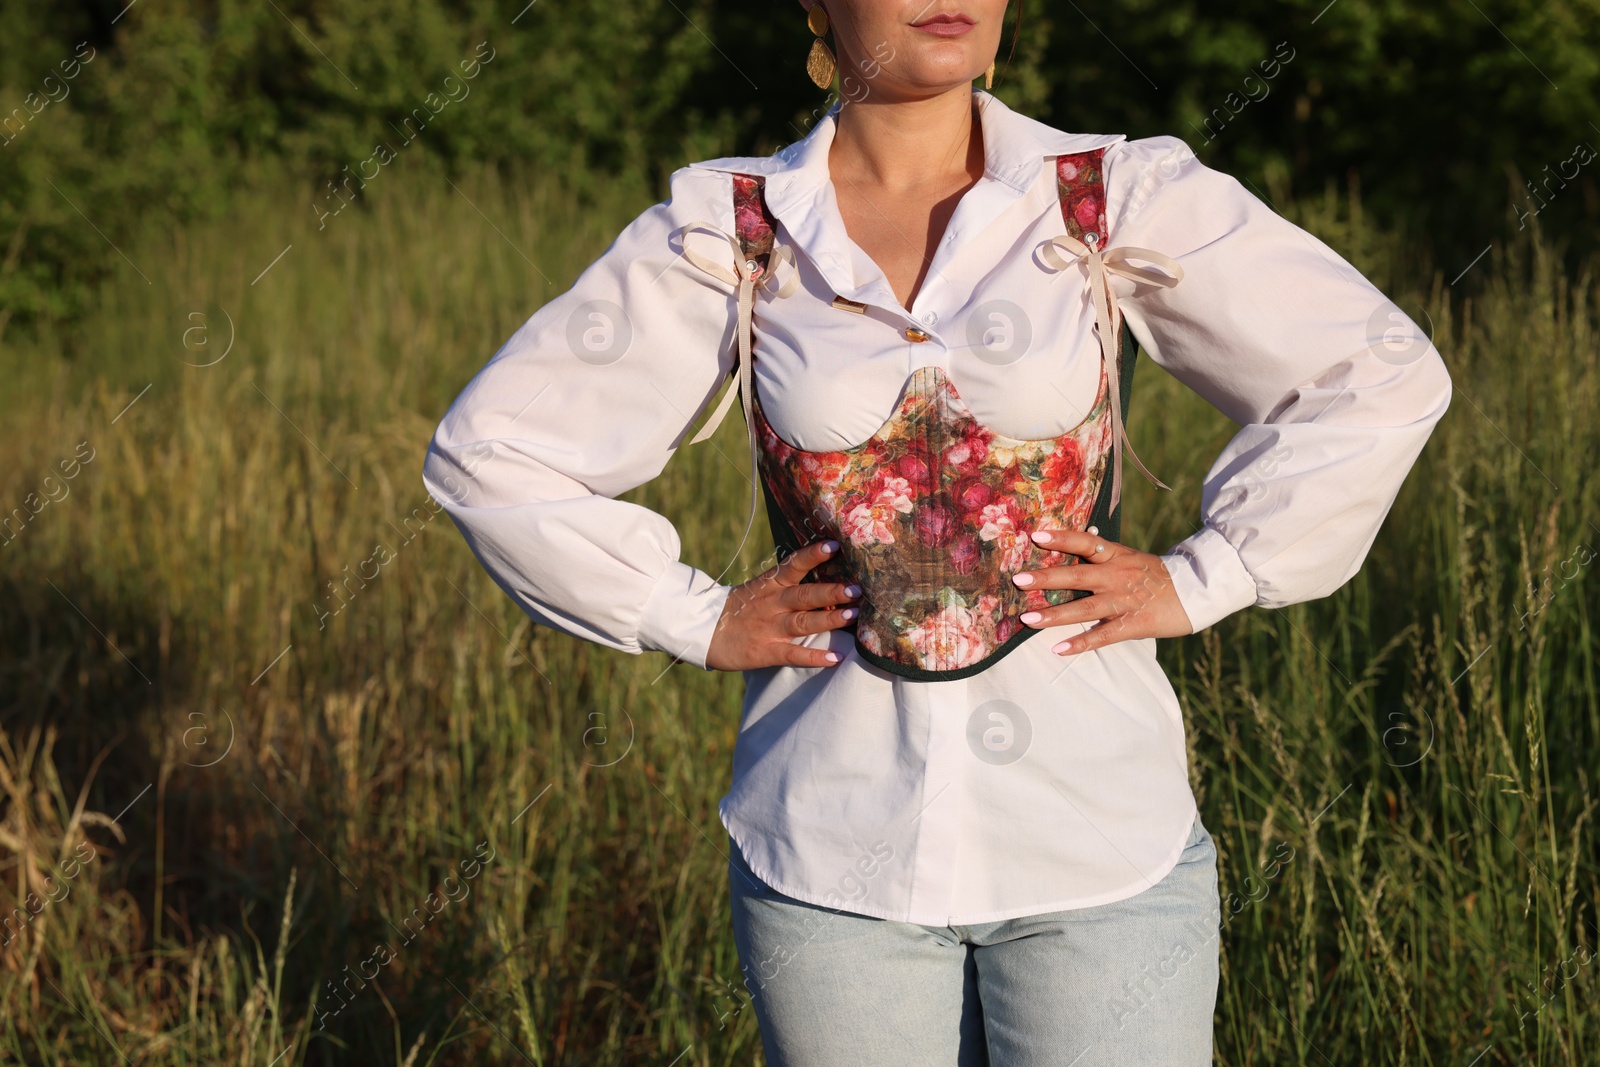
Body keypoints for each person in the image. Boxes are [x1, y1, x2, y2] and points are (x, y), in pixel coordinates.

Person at [422, 2, 1452, 1063]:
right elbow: (491, 451)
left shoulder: (1106, 200)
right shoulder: (731, 229)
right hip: (830, 852)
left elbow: (1374, 370)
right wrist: (687, 613)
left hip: (1098, 840)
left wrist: (1212, 571)